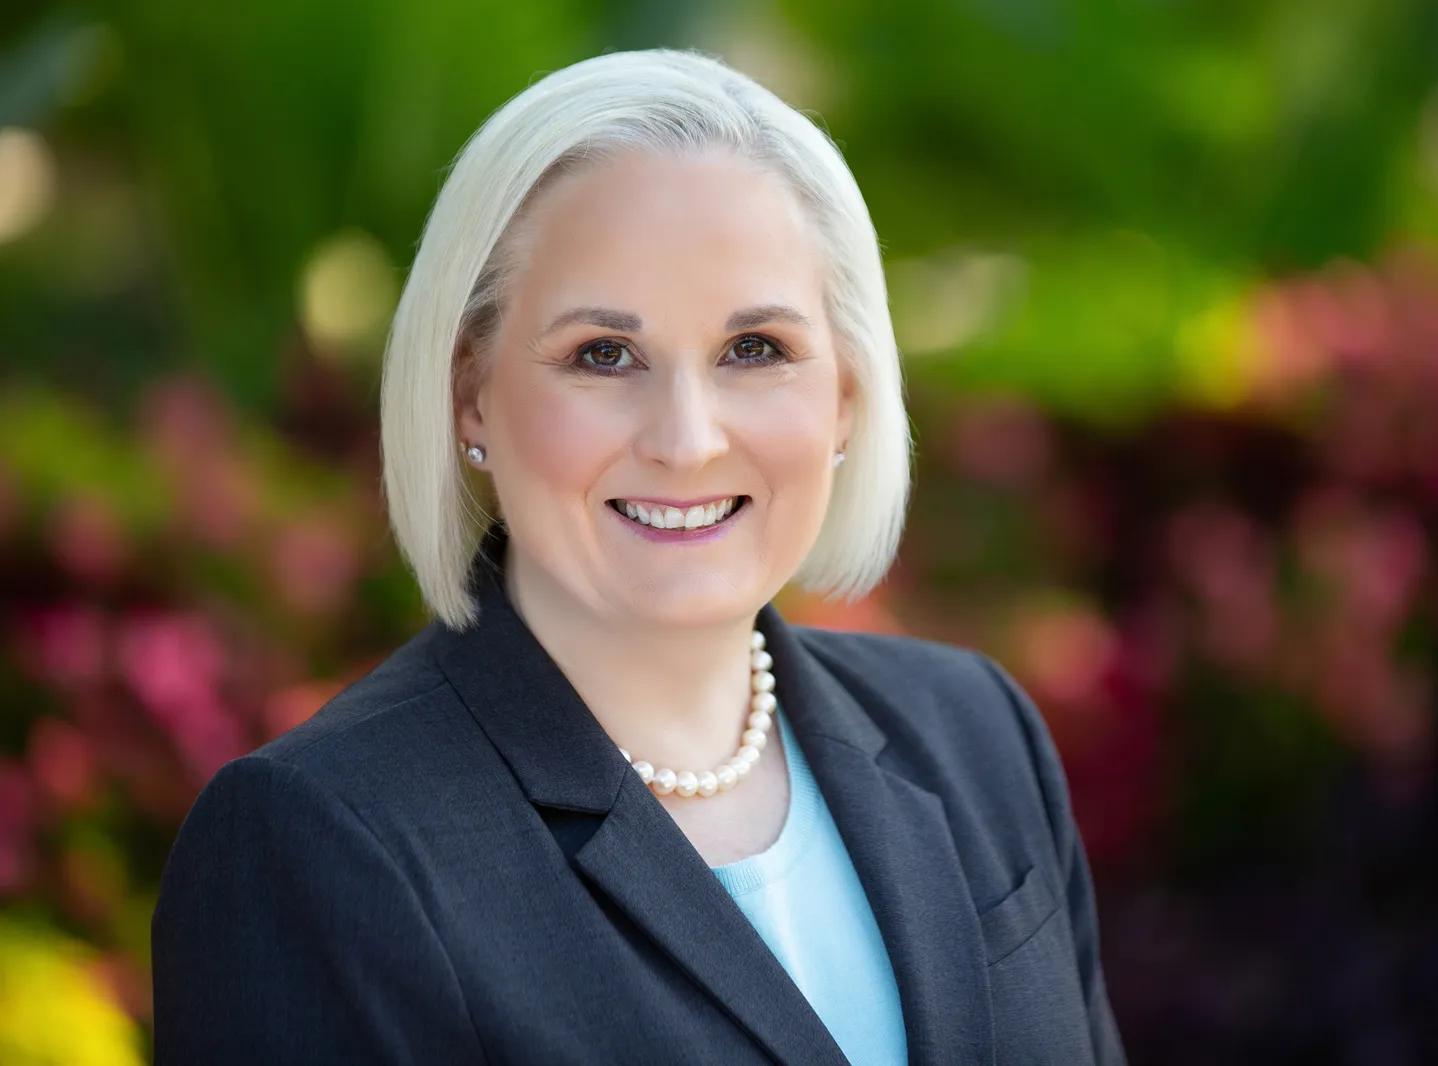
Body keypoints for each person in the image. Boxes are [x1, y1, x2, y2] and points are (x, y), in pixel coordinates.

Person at [150, 48, 1127, 1065]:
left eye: (754, 350)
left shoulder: (974, 730)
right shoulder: (315, 846)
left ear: (843, 392)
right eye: (602, 355)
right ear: (470, 395)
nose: (686, 437)